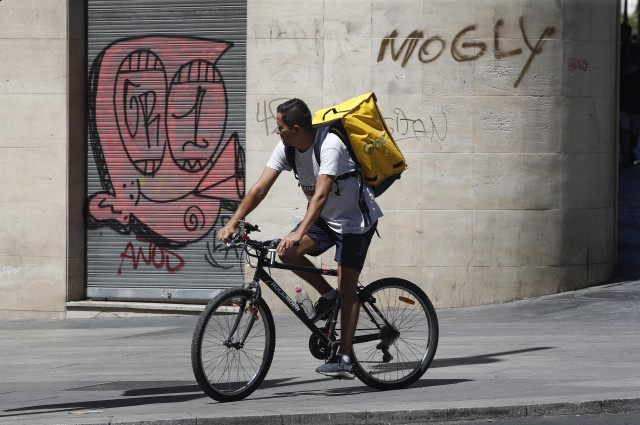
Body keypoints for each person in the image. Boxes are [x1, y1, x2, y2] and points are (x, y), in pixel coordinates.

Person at [217, 98, 382, 379]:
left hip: (354, 222)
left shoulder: (330, 145)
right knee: (287, 253)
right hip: (324, 219)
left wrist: (298, 232)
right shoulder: (287, 148)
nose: (277, 131)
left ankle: (344, 358)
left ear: (295, 127)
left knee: (347, 285)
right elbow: (259, 188)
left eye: (280, 126)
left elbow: (320, 195)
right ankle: (329, 297)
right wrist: (234, 221)